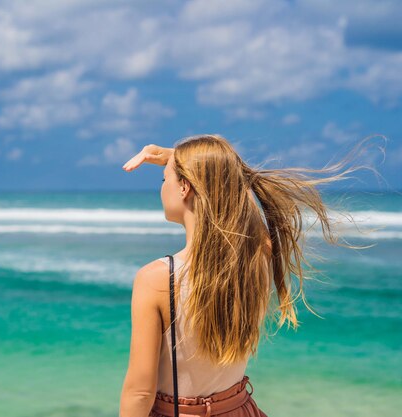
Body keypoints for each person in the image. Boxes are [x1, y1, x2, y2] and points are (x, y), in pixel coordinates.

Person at [118, 134, 384, 417]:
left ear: (184, 187)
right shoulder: (256, 258)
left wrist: (181, 159)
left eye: (165, 180)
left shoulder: (158, 278)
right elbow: (242, 206)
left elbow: (140, 392)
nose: (162, 189)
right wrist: (188, 161)